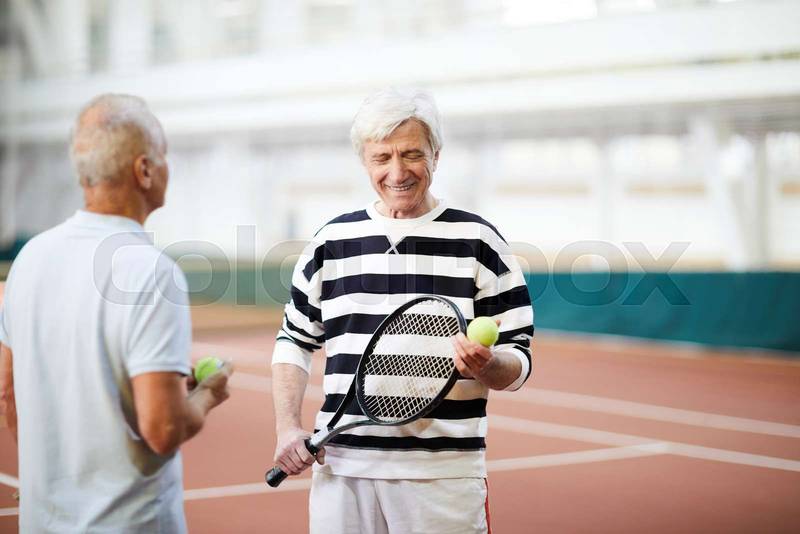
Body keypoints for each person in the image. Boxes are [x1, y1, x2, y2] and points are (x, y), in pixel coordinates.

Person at [271, 88, 534, 533]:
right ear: (364, 161)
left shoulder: (480, 241)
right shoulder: (330, 242)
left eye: (412, 154)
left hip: (442, 479)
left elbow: (519, 359)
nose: (397, 172)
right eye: (382, 157)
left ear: (436, 154)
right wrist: (287, 427)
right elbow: (293, 342)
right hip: (341, 470)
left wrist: (490, 366)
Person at [0, 94, 232, 532]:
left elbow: (9, 393)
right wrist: (208, 393)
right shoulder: (152, 271)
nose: (167, 167)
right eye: (163, 155)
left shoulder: (29, 258)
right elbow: (162, 430)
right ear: (144, 170)